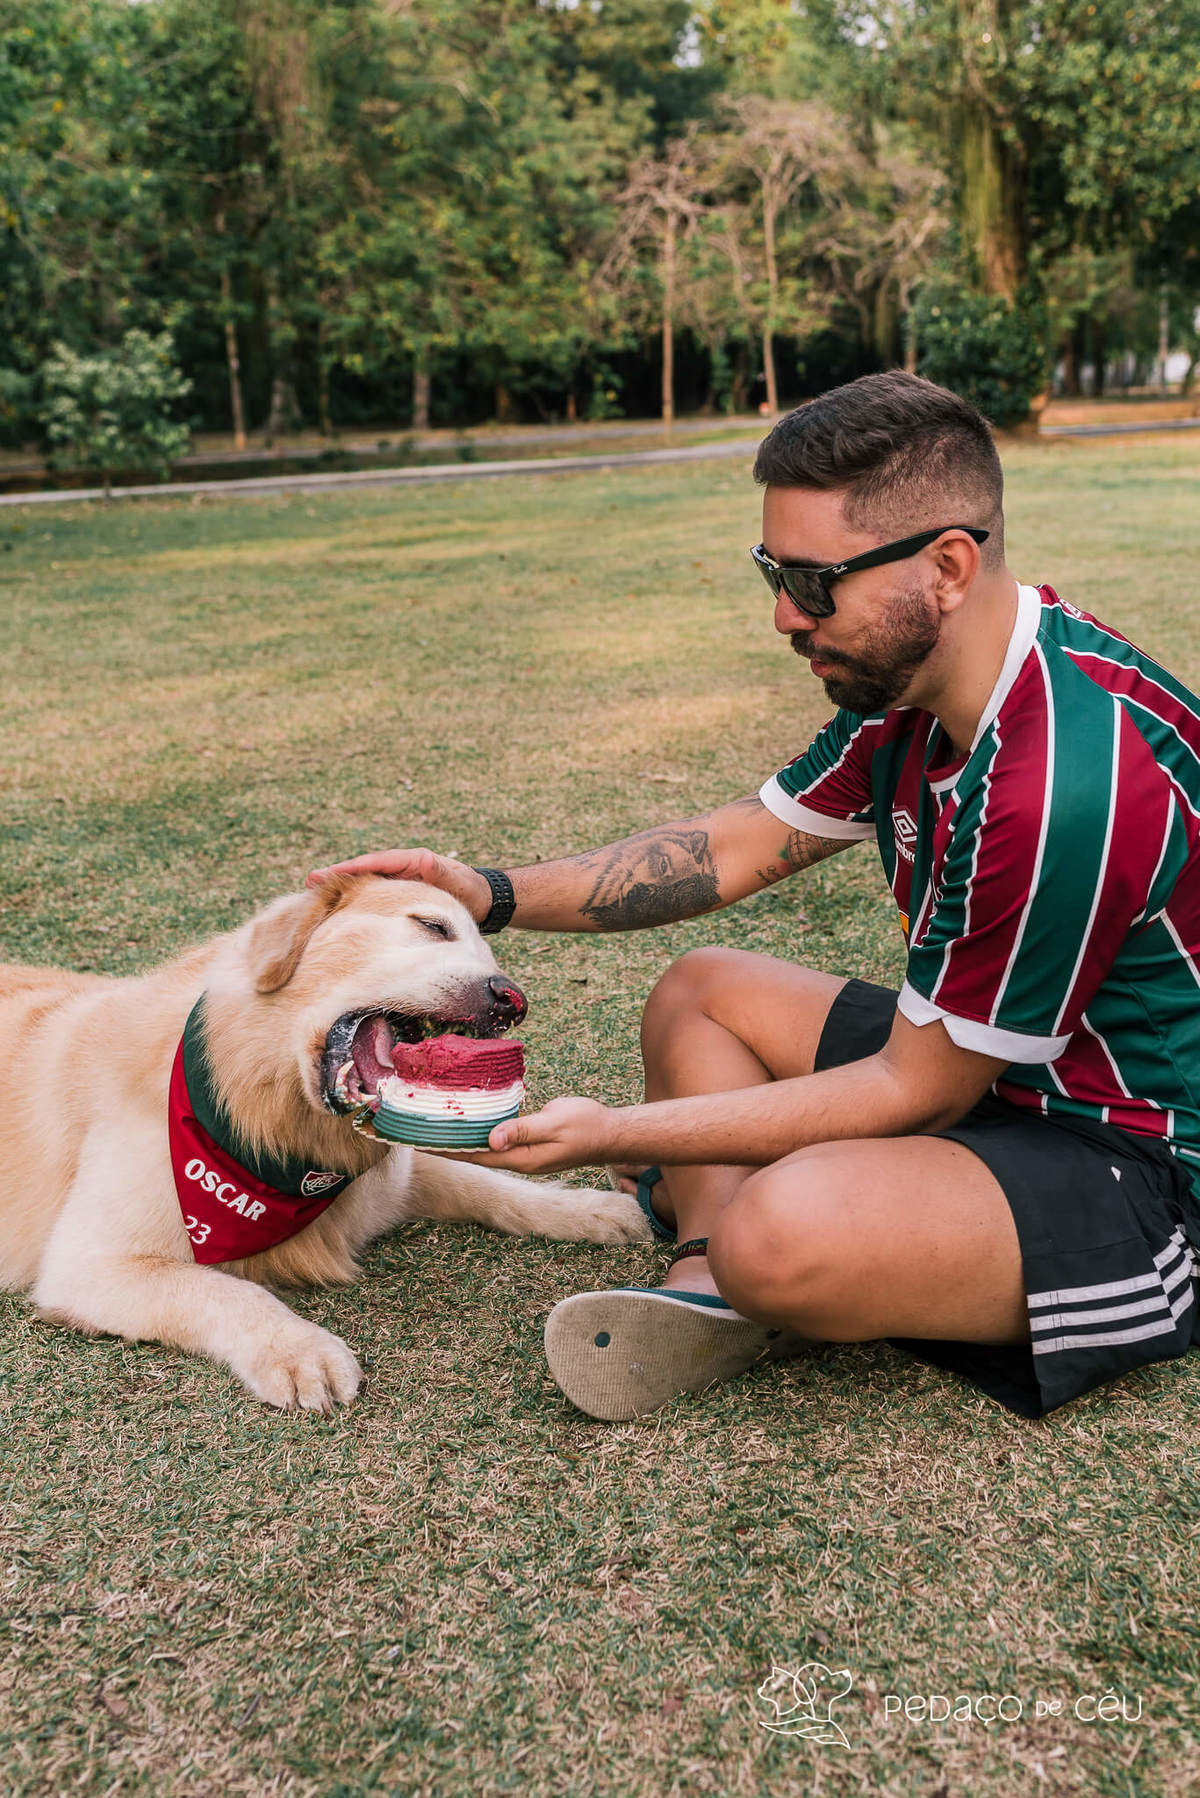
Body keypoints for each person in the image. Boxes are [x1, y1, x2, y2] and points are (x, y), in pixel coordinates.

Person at [310, 371, 1200, 1423]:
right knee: (700, 992)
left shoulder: (1066, 777)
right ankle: (704, 1282)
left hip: (1135, 1153)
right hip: (1003, 1068)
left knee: (780, 1234)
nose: (786, 613)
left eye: (816, 582)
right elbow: (730, 847)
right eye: (773, 572)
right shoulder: (914, 688)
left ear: (948, 566)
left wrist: (617, 1131)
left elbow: (917, 1091)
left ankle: (744, 1248)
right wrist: (490, 892)